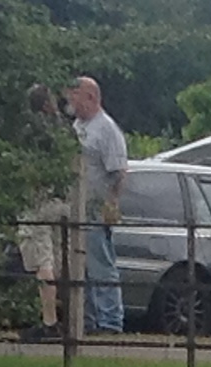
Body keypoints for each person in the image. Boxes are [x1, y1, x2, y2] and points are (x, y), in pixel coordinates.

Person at [65, 75, 127, 334]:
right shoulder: (78, 126)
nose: (70, 101)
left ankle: (110, 322)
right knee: (82, 268)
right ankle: (87, 321)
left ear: (91, 97)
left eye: (74, 96)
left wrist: (110, 205)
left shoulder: (106, 129)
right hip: (76, 208)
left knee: (101, 265)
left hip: (94, 209)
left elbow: (119, 171)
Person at [15, 86, 69, 342]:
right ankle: (63, 316)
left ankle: (49, 322)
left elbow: (26, 167)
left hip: (40, 198)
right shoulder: (64, 129)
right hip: (63, 199)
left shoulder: (31, 132)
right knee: (58, 259)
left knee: (43, 262)